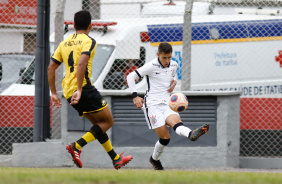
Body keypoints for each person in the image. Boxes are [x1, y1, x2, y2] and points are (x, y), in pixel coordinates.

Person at [48, 10, 132, 170]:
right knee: (108, 121)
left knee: (98, 125)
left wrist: (53, 93)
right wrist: (80, 89)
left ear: (73, 25)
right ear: (90, 26)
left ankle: (115, 159)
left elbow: (51, 68)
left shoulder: (64, 43)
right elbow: (81, 64)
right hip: (83, 88)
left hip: (67, 91)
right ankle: (76, 146)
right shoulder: (89, 41)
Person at [127, 42, 209, 170]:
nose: (167, 60)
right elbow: (130, 76)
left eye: (169, 57)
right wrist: (135, 96)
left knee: (177, 124)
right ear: (158, 54)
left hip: (167, 103)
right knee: (165, 138)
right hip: (152, 104)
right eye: (164, 57)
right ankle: (154, 160)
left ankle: (191, 134)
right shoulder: (151, 66)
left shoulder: (174, 64)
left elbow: (172, 74)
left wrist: (174, 81)